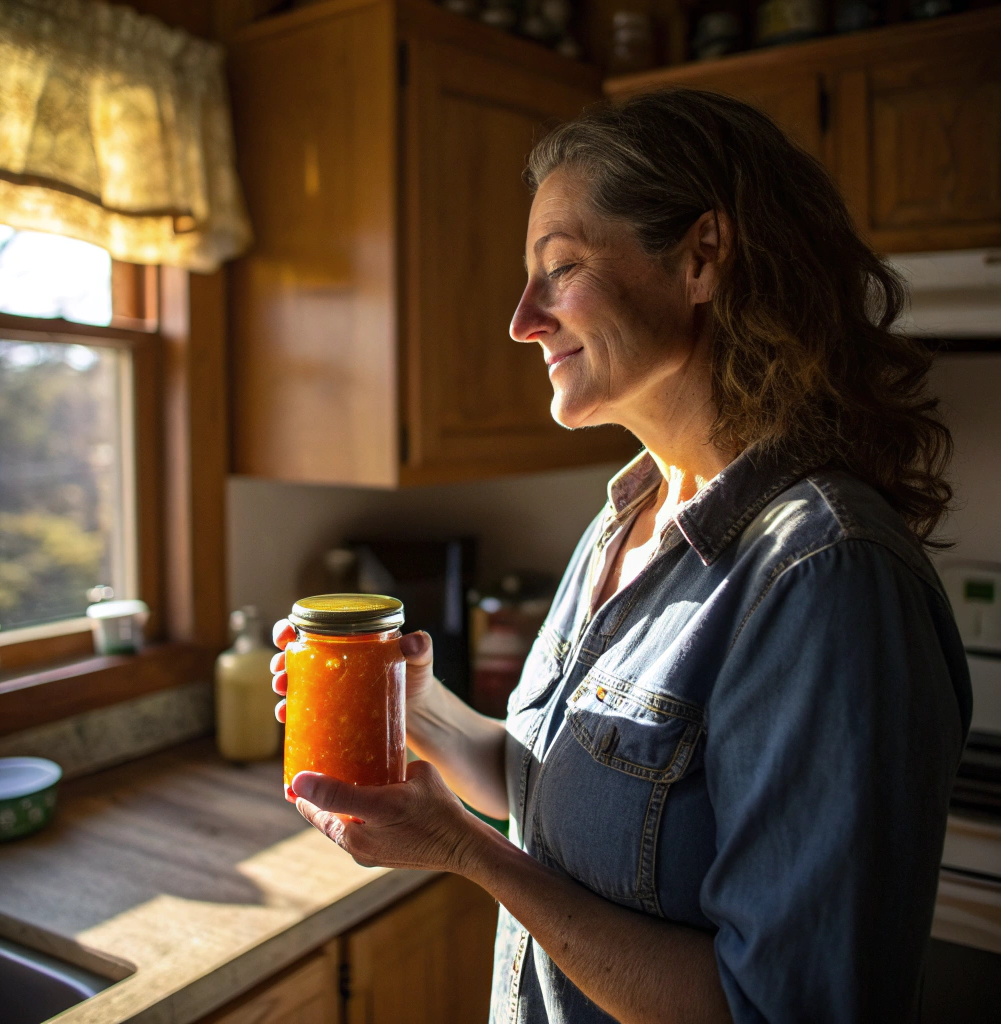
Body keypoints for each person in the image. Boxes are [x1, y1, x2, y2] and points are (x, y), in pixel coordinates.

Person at [269, 89, 971, 1023]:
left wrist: (469, 853)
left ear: (700, 258)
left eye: (559, 269)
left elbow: (774, 1010)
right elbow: (559, 789)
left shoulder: (826, 576)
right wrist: (419, 708)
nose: (523, 319)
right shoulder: (629, 513)